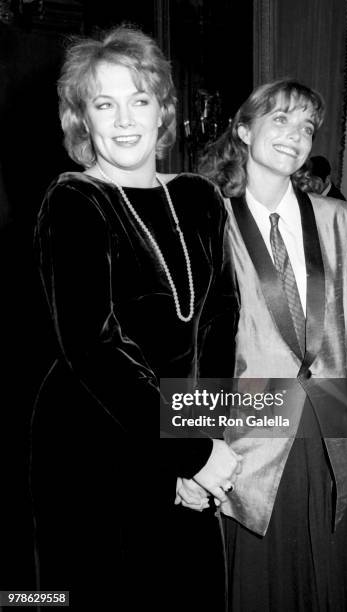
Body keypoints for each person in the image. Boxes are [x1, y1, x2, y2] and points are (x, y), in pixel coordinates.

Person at [30, 25, 241, 610]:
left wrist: (206, 442)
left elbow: (219, 329)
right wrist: (191, 457)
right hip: (95, 441)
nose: (124, 120)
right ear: (82, 120)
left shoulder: (200, 198)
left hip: (184, 430)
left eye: (139, 100)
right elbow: (94, 349)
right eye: (105, 104)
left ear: (163, 111)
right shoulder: (73, 201)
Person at [198, 79, 347, 611]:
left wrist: (342, 398)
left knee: (328, 565)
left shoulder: (342, 221)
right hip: (245, 425)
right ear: (242, 129)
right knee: (254, 579)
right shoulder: (206, 220)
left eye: (306, 126)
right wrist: (186, 445)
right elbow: (185, 346)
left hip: (330, 418)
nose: (296, 135)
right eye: (280, 119)